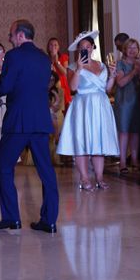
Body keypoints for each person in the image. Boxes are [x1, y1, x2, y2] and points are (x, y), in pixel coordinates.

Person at [0, 19, 59, 234]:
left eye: (11, 34)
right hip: (40, 121)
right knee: (46, 171)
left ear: (20, 35)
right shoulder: (44, 58)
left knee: (4, 165)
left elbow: (6, 86)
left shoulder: (13, 56)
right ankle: (50, 221)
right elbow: (33, 83)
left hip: (18, 121)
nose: (9, 38)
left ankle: (12, 218)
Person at [57, 30, 119, 190]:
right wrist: (79, 69)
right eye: (82, 47)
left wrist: (112, 76)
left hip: (101, 105)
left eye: (88, 46)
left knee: (99, 141)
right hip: (83, 106)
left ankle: (99, 177)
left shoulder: (102, 65)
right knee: (82, 141)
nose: (85, 49)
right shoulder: (72, 67)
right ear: (79, 49)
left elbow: (107, 89)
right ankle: (84, 178)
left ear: (93, 47)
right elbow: (73, 88)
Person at [114, 38, 140, 173]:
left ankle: (134, 160)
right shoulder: (120, 64)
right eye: (130, 48)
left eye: (135, 48)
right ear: (125, 50)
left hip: (138, 101)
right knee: (124, 131)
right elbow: (121, 82)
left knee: (136, 131)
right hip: (124, 101)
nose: (132, 50)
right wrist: (134, 71)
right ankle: (123, 161)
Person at [47, 37, 71, 111]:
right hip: (51, 87)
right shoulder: (45, 59)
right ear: (48, 47)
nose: (53, 47)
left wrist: (57, 62)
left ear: (58, 47)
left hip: (62, 86)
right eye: (51, 45)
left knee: (64, 111)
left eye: (55, 45)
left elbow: (65, 72)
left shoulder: (63, 57)